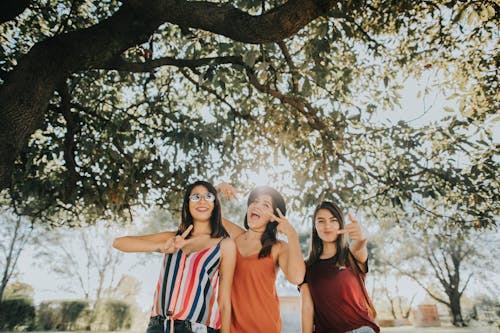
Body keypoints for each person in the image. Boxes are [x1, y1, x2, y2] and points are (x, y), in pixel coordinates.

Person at [113, 181, 236, 333]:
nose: (202, 200)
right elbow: (119, 243)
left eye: (208, 197)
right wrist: (159, 247)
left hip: (198, 328)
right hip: (158, 326)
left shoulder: (225, 245)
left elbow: (224, 301)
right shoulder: (172, 238)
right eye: (196, 197)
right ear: (187, 204)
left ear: (215, 204)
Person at [216, 183, 305, 333]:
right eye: (255, 201)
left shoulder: (278, 247)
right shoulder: (235, 237)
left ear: (273, 218)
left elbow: (297, 277)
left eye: (266, 205)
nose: (257, 206)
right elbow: (205, 214)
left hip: (264, 326)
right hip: (228, 327)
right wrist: (216, 190)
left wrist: (292, 234)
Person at [300, 201, 379, 333]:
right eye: (321, 221)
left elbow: (359, 245)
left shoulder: (351, 255)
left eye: (333, 220)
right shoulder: (307, 267)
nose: (327, 226)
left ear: (340, 224)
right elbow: (307, 307)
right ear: (314, 226)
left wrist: (361, 238)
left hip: (360, 329)